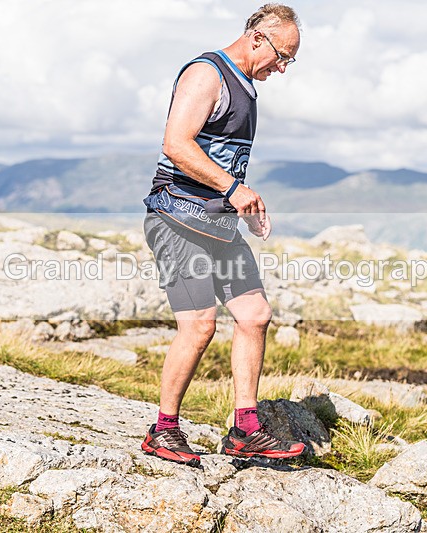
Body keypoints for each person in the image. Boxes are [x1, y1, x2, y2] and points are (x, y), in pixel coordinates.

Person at [140, 4, 304, 467]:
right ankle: (163, 430)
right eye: (282, 56)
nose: (283, 67)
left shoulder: (248, 86)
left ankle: (245, 430)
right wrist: (233, 188)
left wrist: (243, 203)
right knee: (199, 326)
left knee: (254, 315)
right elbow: (177, 143)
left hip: (216, 223)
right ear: (257, 38)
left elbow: (224, 163)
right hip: (176, 218)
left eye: (290, 60)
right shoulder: (206, 73)